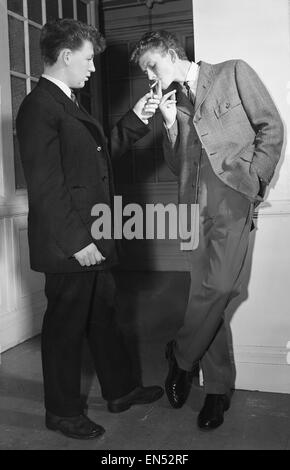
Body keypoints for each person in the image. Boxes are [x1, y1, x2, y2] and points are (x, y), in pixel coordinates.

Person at [16, 19, 164, 440]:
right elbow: (46, 187)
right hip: (71, 244)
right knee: (65, 328)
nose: (93, 69)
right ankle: (61, 412)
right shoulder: (39, 107)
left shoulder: (68, 103)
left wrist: (136, 118)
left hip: (94, 235)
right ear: (65, 57)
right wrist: (79, 242)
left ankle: (120, 390)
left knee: (104, 316)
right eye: (87, 59)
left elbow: (95, 162)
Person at [131, 30, 284, 430]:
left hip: (233, 200)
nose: (149, 76)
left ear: (169, 52)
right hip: (190, 209)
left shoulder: (232, 73)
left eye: (151, 65)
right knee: (206, 295)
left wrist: (256, 180)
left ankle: (181, 356)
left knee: (220, 289)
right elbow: (175, 164)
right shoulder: (174, 103)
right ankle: (217, 390)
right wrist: (168, 127)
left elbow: (271, 126)